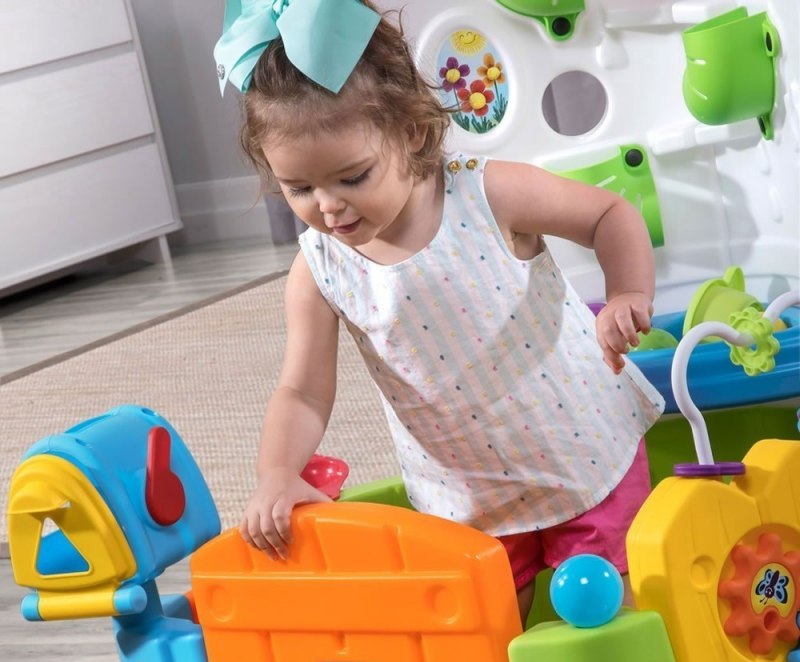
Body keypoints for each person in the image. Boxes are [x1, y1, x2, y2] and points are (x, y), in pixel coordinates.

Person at [215, 0, 665, 624]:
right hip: (468, 493)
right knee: (485, 635)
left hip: (580, 452)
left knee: (611, 616)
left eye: (353, 177)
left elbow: (607, 214)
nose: (328, 206)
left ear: (412, 132)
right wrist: (277, 472)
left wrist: (628, 294)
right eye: (299, 188)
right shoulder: (319, 268)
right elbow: (303, 391)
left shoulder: (486, 194)